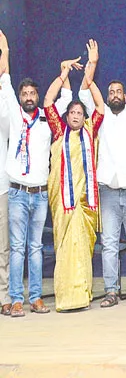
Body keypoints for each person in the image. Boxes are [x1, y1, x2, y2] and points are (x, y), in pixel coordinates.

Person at [0, 32, 72, 317]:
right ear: (20, 98)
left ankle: (36, 298)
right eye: (25, 94)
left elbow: (66, 97)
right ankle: (16, 299)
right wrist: (5, 49)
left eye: (33, 94)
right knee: (17, 248)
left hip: (40, 194)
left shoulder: (46, 119)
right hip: (17, 192)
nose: (29, 98)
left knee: (36, 248)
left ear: (38, 96)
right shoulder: (14, 117)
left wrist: (64, 72)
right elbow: (4, 81)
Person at [79, 49, 126, 308]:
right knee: (109, 244)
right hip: (108, 190)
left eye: (117, 92)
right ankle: (111, 291)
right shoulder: (99, 116)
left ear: (124, 96)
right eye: (110, 92)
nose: (114, 95)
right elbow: (83, 92)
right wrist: (92, 63)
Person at [43, 52, 105, 312]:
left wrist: (90, 80)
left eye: (81, 112)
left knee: (83, 249)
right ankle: (66, 297)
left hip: (86, 204)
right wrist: (62, 76)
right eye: (73, 112)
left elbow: (101, 108)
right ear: (67, 116)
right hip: (64, 205)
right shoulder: (59, 131)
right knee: (67, 248)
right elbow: (47, 102)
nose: (77, 115)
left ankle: (82, 294)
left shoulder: (91, 130)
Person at [0, 31, 12, 316]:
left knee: (3, 249)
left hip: (1, 187)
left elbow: (5, 81)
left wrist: (6, 51)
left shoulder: (3, 108)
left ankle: (3, 296)